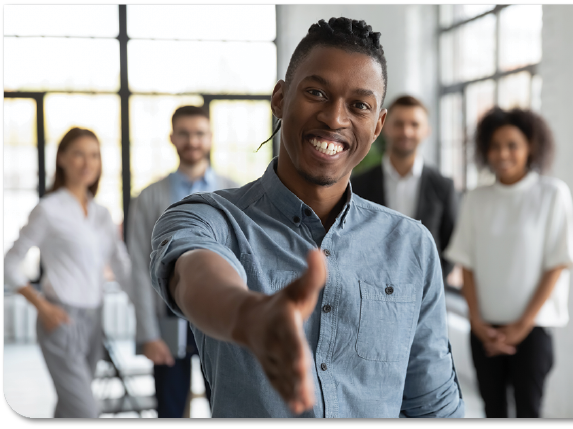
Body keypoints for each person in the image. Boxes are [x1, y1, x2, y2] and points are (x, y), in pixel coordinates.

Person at [147, 17, 464, 418]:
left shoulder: (411, 244)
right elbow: (195, 274)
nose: (334, 118)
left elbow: (433, 405)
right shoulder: (210, 218)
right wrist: (248, 316)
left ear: (378, 124)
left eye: (359, 105)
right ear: (280, 98)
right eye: (316, 92)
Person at [444, 107, 573, 418]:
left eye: (512, 145)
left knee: (529, 412)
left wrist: (520, 326)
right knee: (492, 411)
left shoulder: (552, 194)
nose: (502, 153)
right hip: (484, 330)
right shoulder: (476, 198)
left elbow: (557, 264)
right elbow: (467, 265)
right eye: (494, 146)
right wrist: (476, 322)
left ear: (531, 146)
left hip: (533, 330)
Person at [4, 127, 131, 418]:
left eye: (94, 156)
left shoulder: (102, 213)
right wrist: (42, 306)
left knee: (70, 410)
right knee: (86, 412)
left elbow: (122, 268)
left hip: (96, 318)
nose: (87, 163)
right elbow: (10, 263)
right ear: (61, 159)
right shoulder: (49, 209)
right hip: (60, 317)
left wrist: (151, 307)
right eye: (78, 154)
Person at [127, 105, 237, 418]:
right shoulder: (148, 197)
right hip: (168, 317)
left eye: (199, 133)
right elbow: (138, 266)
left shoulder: (234, 191)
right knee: (171, 409)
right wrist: (147, 333)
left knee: (226, 405)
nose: (193, 141)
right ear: (172, 138)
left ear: (211, 138)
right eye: (185, 134)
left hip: (221, 315)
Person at [351, 95, 457, 281]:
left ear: (427, 131)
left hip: (425, 294)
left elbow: (451, 246)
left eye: (414, 125)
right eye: (398, 124)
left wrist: (432, 286)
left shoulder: (443, 186)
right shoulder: (358, 185)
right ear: (384, 127)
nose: (406, 132)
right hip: (369, 289)